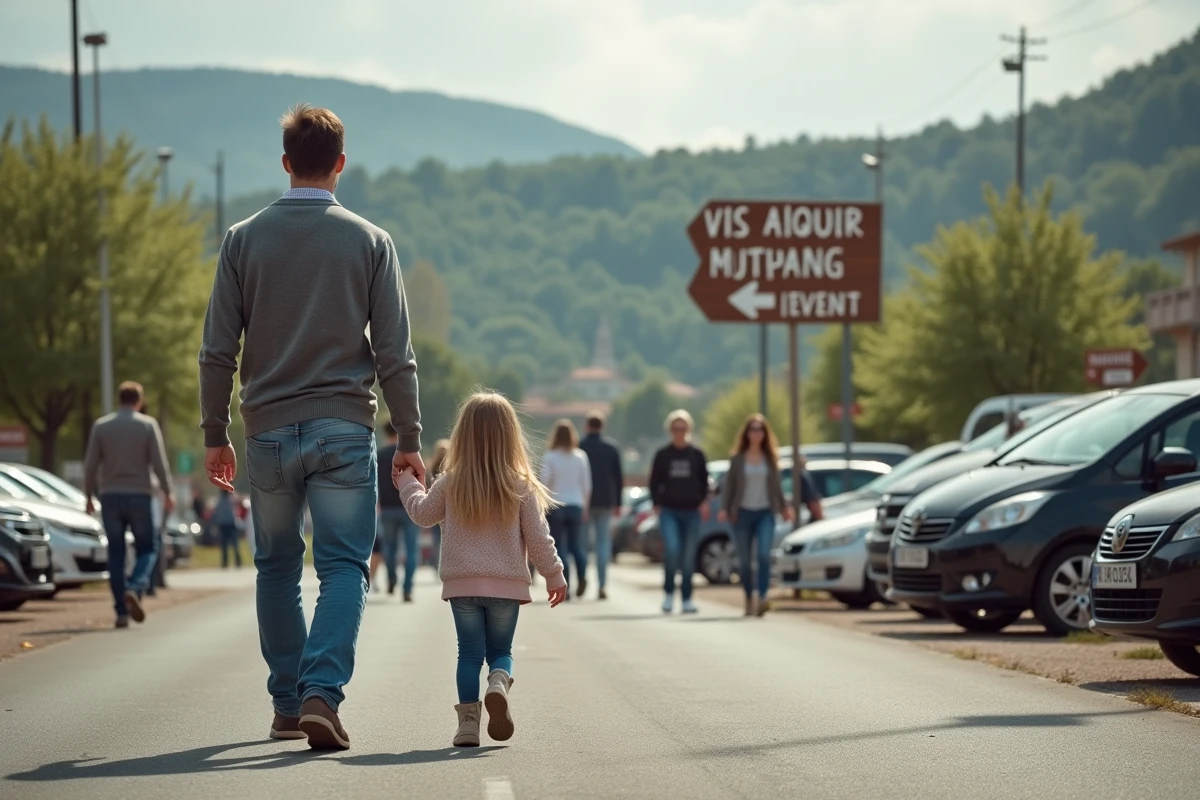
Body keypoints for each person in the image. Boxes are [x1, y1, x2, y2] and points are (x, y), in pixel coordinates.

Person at [198, 104, 422, 750]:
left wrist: (216, 432)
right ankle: (322, 691)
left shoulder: (243, 239)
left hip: (266, 432)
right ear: (341, 165)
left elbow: (217, 350)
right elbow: (395, 354)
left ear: (286, 162)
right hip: (345, 431)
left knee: (274, 566)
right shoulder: (371, 242)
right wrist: (407, 439)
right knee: (345, 565)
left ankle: (288, 702)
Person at [395, 392, 566, 747]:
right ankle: (499, 682)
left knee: (469, 653)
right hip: (506, 585)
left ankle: (468, 726)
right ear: (510, 435)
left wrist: (408, 482)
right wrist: (554, 574)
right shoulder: (519, 485)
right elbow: (538, 537)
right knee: (500, 652)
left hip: (462, 584)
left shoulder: (451, 482)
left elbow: (423, 514)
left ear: (463, 435)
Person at [82, 381, 174, 628]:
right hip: (139, 496)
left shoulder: (101, 427)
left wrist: (88, 495)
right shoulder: (147, 425)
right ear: (139, 401)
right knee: (148, 547)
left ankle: (121, 612)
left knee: (116, 553)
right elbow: (159, 464)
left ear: (119, 399)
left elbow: (90, 465)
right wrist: (168, 492)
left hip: (110, 497)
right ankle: (135, 586)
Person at [719, 414, 792, 617]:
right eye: (752, 429)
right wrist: (725, 508)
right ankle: (748, 597)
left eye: (760, 429)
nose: (756, 433)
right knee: (744, 560)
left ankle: (762, 597)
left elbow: (777, 486)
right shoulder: (737, 459)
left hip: (765, 512)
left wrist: (785, 506)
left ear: (765, 434)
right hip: (742, 513)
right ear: (746, 433)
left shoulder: (770, 458)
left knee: (763, 555)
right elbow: (729, 487)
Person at [648, 410, 709, 614]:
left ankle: (687, 598)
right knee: (672, 551)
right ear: (670, 431)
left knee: (689, 557)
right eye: (675, 429)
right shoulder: (663, 455)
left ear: (689, 429)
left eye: (683, 428)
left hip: (692, 511)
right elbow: (655, 481)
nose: (679, 432)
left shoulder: (697, 455)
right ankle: (668, 594)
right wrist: (657, 502)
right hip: (669, 511)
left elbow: (704, 481)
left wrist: (704, 502)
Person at [540, 419, 592, 599]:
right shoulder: (581, 456)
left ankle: (566, 586)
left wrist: (542, 506)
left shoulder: (550, 456)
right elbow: (586, 485)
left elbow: (544, 483)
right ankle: (583, 576)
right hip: (576, 504)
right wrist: (585, 507)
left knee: (560, 546)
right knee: (576, 546)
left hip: (557, 505)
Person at [578, 410, 622, 600]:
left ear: (587, 426)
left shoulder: (580, 447)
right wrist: (618, 502)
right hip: (605, 501)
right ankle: (602, 584)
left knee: (582, 544)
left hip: (583, 501)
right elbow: (618, 477)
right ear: (602, 426)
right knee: (603, 544)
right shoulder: (611, 448)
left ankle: (581, 578)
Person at [376, 422, 421, 601]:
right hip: (409, 506)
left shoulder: (379, 455)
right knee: (411, 549)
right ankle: (408, 588)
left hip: (387, 507)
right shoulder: (408, 455)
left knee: (390, 547)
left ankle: (391, 579)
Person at [427, 438, 451, 570]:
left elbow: (427, 485)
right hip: (450, 508)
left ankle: (436, 563)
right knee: (447, 537)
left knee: (436, 538)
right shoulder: (452, 467)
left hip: (435, 503)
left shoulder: (432, 468)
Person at [212, 489, 242, 568]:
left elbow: (239, 502)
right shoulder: (220, 500)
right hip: (223, 524)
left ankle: (237, 561)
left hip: (231, 524)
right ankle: (225, 562)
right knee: (224, 545)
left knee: (235, 544)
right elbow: (216, 513)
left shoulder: (231, 498)